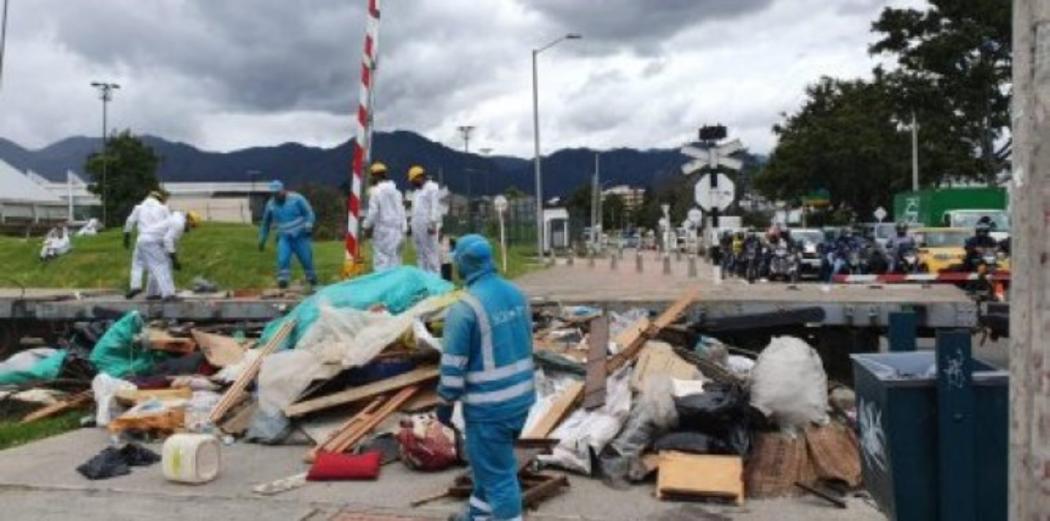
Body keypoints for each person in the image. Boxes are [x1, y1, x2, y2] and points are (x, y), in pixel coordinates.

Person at [436, 235, 536, 521]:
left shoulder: (464, 309)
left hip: (489, 409)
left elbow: (452, 370)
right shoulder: (517, 294)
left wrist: (444, 406)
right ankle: (477, 516)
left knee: (500, 478)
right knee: (488, 469)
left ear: (463, 264)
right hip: (522, 400)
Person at [258, 180, 317, 289]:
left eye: (278, 193)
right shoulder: (271, 205)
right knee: (282, 259)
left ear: (283, 190)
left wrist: (309, 225)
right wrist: (262, 239)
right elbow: (265, 223)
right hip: (284, 236)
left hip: (300, 235)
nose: (276, 196)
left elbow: (309, 213)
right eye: (274, 193)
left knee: (306, 259)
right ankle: (283, 282)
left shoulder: (297, 199)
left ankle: (312, 281)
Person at [124, 190, 174, 300]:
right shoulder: (163, 208)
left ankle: (135, 286)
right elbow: (170, 223)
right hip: (157, 239)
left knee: (137, 264)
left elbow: (130, 221)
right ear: (159, 199)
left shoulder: (139, 207)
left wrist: (126, 236)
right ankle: (158, 292)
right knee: (157, 266)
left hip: (141, 239)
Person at [362, 162, 407, 271]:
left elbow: (373, 213)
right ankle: (395, 286)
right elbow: (402, 212)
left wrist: (365, 226)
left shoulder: (376, 192)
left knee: (381, 262)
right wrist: (404, 230)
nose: (371, 179)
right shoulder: (397, 192)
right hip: (398, 232)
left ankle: (383, 286)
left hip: (383, 232)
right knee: (396, 262)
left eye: (372, 176)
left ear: (376, 176)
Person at [408, 165, 442, 274]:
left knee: (431, 253)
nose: (413, 183)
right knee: (420, 253)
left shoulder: (432, 187)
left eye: (413, 180)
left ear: (419, 177)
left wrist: (432, 224)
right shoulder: (417, 192)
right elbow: (415, 211)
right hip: (417, 226)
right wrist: (411, 225)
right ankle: (423, 278)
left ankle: (435, 280)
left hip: (428, 226)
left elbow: (435, 207)